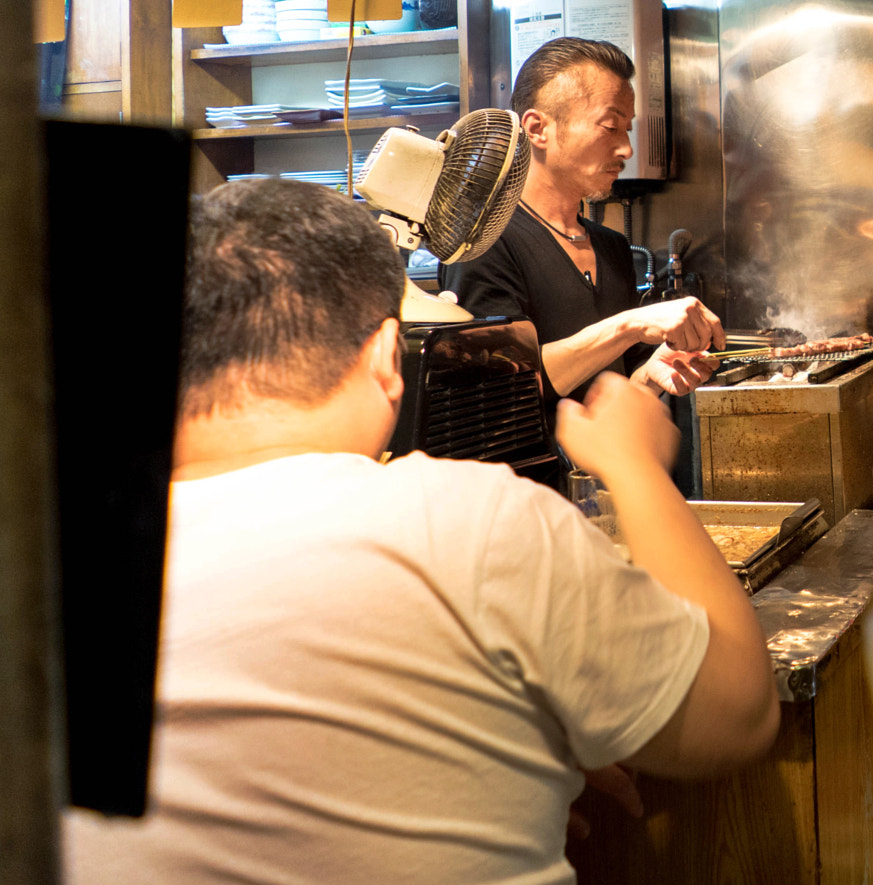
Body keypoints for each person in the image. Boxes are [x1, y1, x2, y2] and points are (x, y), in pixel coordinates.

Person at [65, 180, 778, 883]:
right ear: (387, 355)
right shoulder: (470, 521)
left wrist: (507, 736)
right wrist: (635, 466)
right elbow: (737, 714)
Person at [444, 37, 724, 399]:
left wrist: (648, 378)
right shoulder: (485, 241)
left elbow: (606, 394)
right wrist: (631, 325)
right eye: (610, 127)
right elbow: (503, 382)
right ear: (537, 128)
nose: (626, 149)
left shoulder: (612, 247)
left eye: (628, 129)